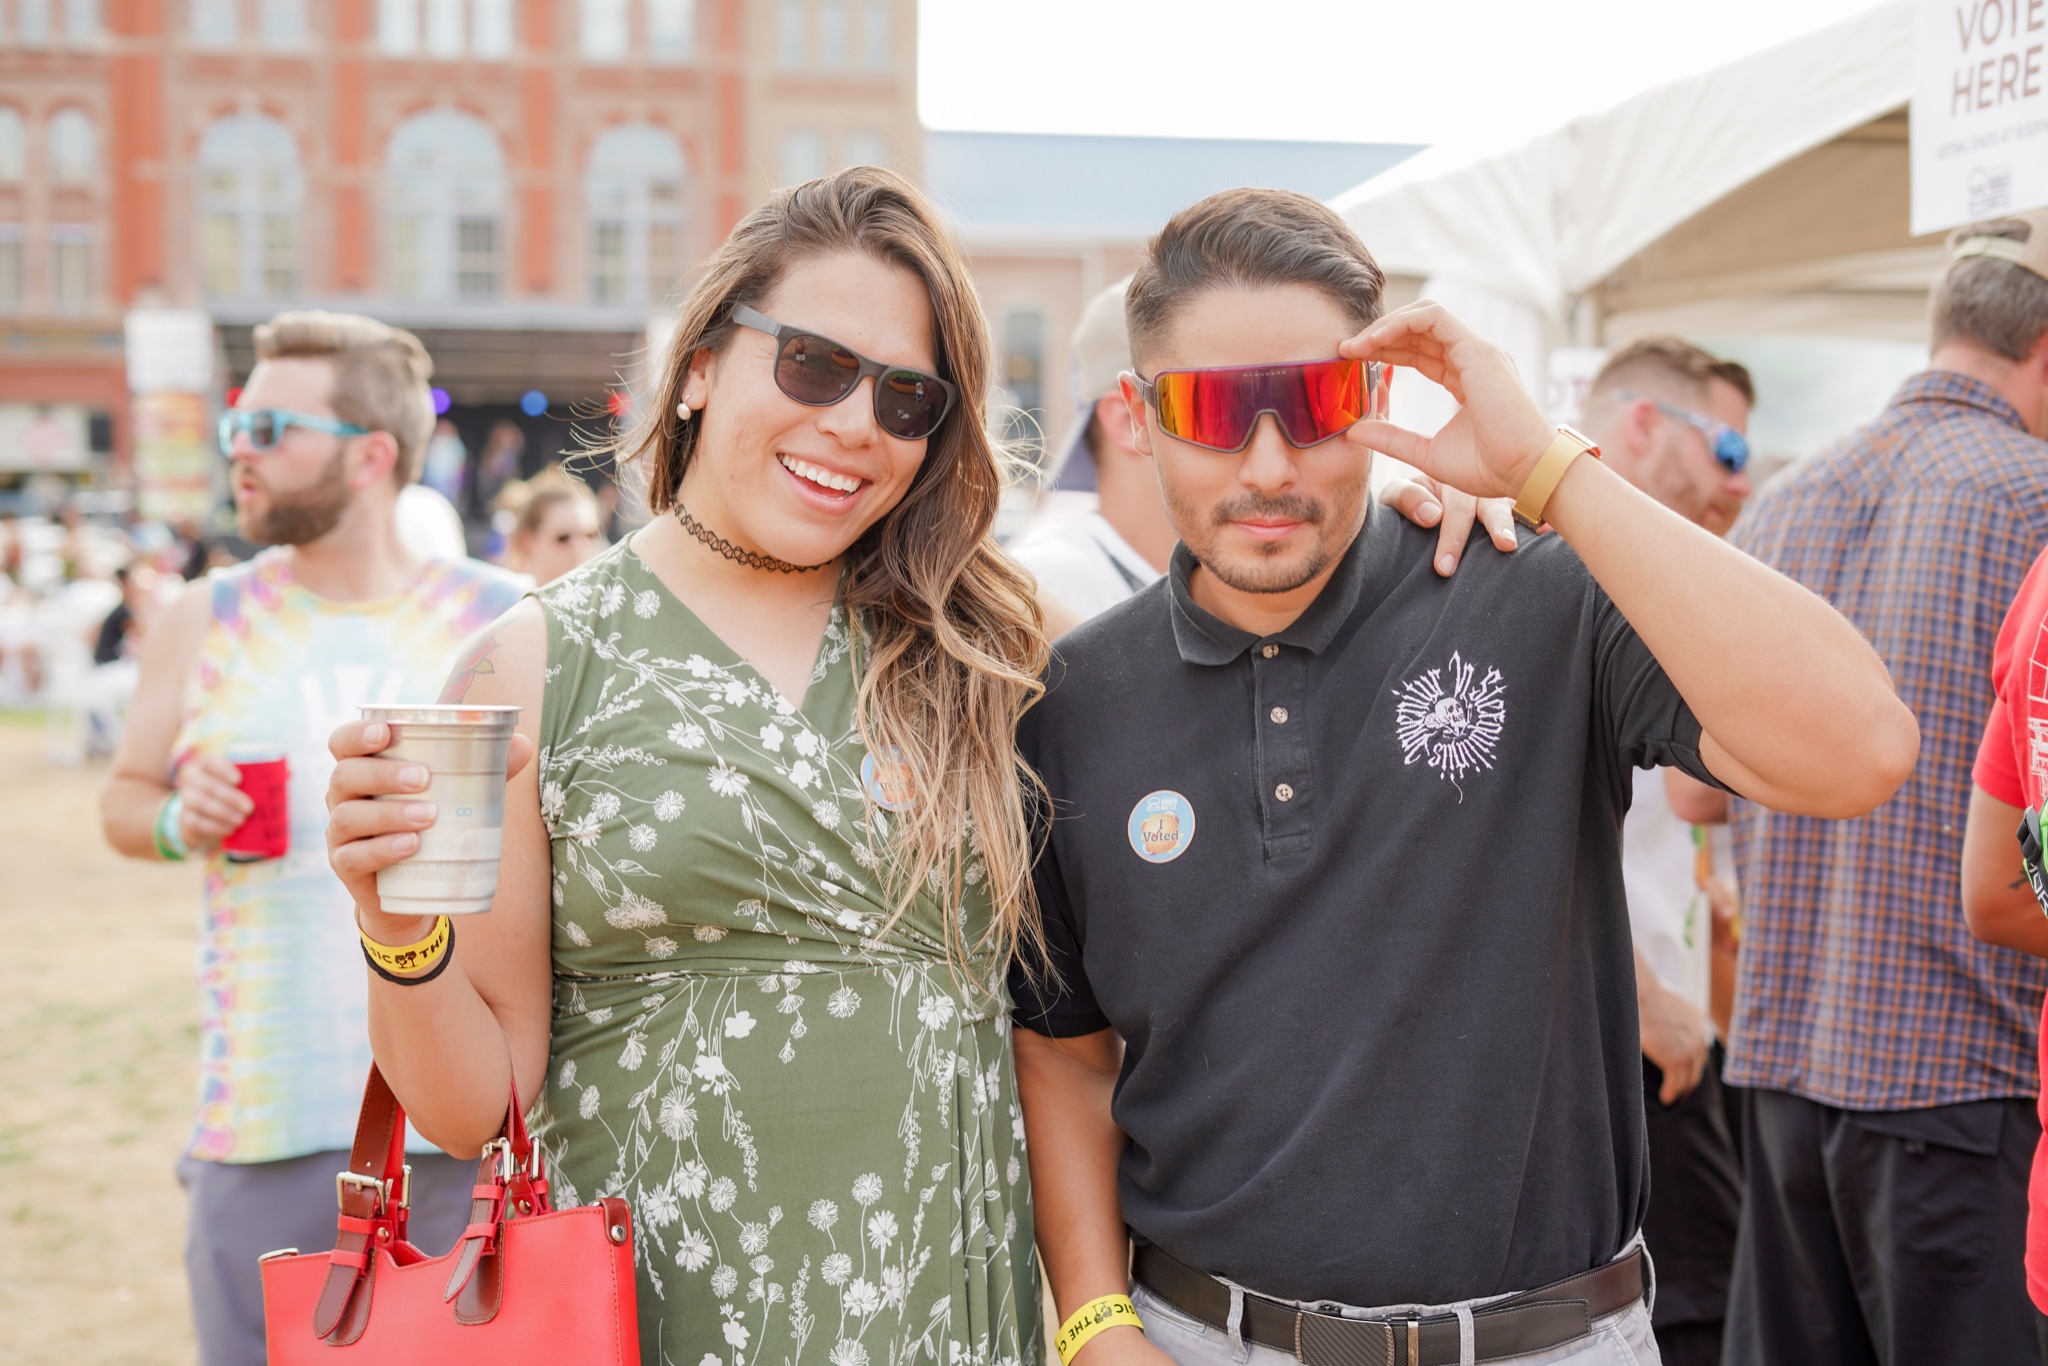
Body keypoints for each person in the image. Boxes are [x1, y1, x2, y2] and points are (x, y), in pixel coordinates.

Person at [1008, 189, 1914, 1366]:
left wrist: (1548, 469)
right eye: (1213, 411)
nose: (1268, 462)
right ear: (1134, 416)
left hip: (1550, 1339)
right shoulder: (1073, 701)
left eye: (1314, 403)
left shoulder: (1530, 589)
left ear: (1377, 396)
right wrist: (1091, 1322)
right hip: (1206, 1339)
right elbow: (1064, 1050)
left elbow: (1860, 751)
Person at [322, 167, 1045, 1366]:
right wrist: (394, 924)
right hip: (665, 1322)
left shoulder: (983, 648)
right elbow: (467, 1108)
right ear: (700, 364)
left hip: (952, 1316)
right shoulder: (534, 661)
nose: (856, 423)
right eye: (813, 364)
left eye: (908, 398)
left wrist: (1458, 514)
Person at [97, 311, 526, 1366]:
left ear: (371, 455)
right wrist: (169, 818)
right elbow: (122, 797)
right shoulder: (206, 615)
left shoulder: (505, 617)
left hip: (460, 1129)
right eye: (237, 425)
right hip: (261, 1116)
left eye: (270, 427)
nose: (237, 448)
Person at [1717, 210, 2048, 1365]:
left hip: (1780, 1064)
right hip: (1964, 1076)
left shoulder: (1777, 504)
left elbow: (1693, 796)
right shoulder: (2033, 506)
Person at [1574, 337, 1755, 1366]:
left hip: (1668, 1021)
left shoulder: (1653, 571)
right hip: (1634, 1036)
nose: (1739, 474)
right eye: (1725, 443)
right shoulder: (1556, 560)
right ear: (1640, 422)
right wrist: (1644, 995)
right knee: (1692, 1309)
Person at [493, 463, 607, 585]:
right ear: (528, 541)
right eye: (563, 538)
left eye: (590, 535)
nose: (580, 547)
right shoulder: (504, 600)